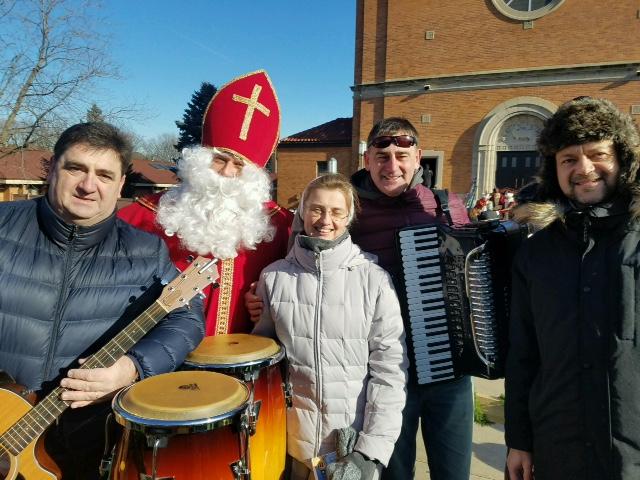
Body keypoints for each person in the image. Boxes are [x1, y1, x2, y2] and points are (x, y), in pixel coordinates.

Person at [0, 122, 204, 479]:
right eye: (76, 168)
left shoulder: (145, 251)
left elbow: (186, 319)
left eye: (104, 175)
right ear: (51, 169)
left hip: (90, 446)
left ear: (120, 184)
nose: (88, 185)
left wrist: (132, 367)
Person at [505, 97, 640, 480]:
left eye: (597, 154)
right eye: (569, 159)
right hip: (558, 447)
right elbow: (523, 352)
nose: (584, 169)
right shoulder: (536, 252)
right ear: (554, 169)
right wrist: (519, 439)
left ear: (622, 160)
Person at [252, 174, 408, 480]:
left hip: (351, 448)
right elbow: (264, 368)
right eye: (316, 209)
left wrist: (369, 454)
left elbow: (390, 371)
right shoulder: (273, 278)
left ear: (349, 217)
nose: (325, 220)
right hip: (292, 448)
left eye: (337, 212)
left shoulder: (374, 281)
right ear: (302, 212)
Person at [118, 70, 292, 336]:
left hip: (242, 364)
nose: (226, 172)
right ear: (200, 159)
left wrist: (268, 301)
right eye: (220, 159)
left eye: (239, 165)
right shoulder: (140, 218)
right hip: (159, 363)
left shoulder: (282, 226)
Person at [350, 117, 472, 480]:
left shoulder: (448, 205)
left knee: (454, 473)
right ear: (367, 159)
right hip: (383, 375)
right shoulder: (345, 209)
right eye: (382, 155)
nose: (392, 166)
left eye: (401, 155)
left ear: (418, 157)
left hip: (449, 372)